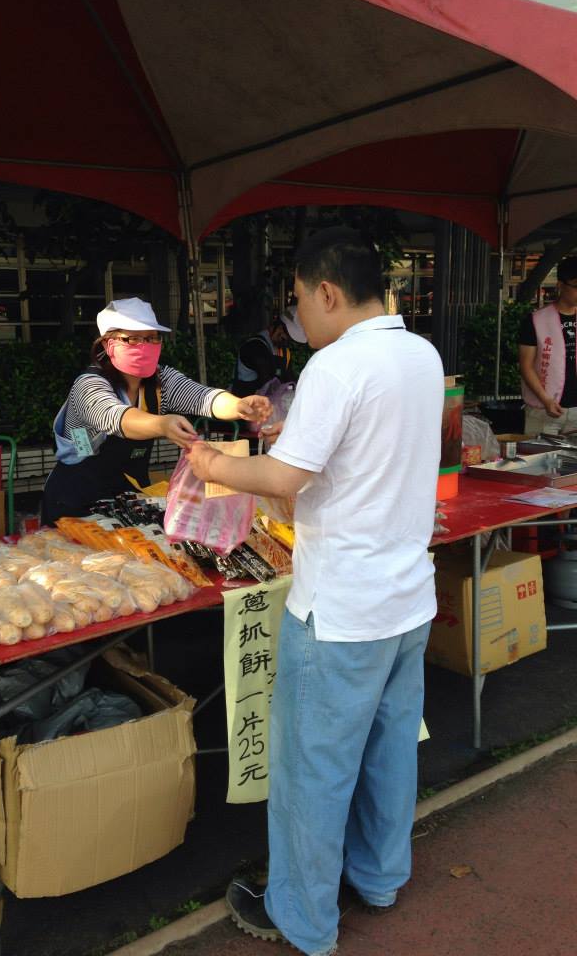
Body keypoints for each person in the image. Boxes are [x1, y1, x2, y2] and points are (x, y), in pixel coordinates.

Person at [188, 230, 444, 956]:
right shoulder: (421, 354)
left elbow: (282, 479)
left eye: (299, 300)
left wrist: (210, 462)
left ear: (327, 292)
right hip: (407, 602)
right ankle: (380, 879)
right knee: (389, 753)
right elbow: (349, 460)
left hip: (339, 612)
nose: (298, 315)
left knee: (313, 771)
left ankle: (302, 918)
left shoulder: (337, 365)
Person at [40, 297, 271, 525]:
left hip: (126, 501)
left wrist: (238, 406)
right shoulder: (89, 385)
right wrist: (162, 424)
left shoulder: (161, 381)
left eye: (152, 338)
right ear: (108, 345)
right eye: (133, 339)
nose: (145, 345)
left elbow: (202, 397)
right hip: (74, 502)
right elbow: (117, 417)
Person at [519, 256, 577, 436]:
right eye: (576, 286)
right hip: (543, 410)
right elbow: (526, 366)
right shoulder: (536, 320)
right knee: (540, 453)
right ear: (560, 285)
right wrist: (546, 400)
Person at [232, 306, 307, 396]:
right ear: (279, 326)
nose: (287, 341)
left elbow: (289, 379)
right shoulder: (255, 346)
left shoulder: (284, 352)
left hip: (268, 402)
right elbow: (267, 383)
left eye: (291, 340)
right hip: (243, 401)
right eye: (287, 336)